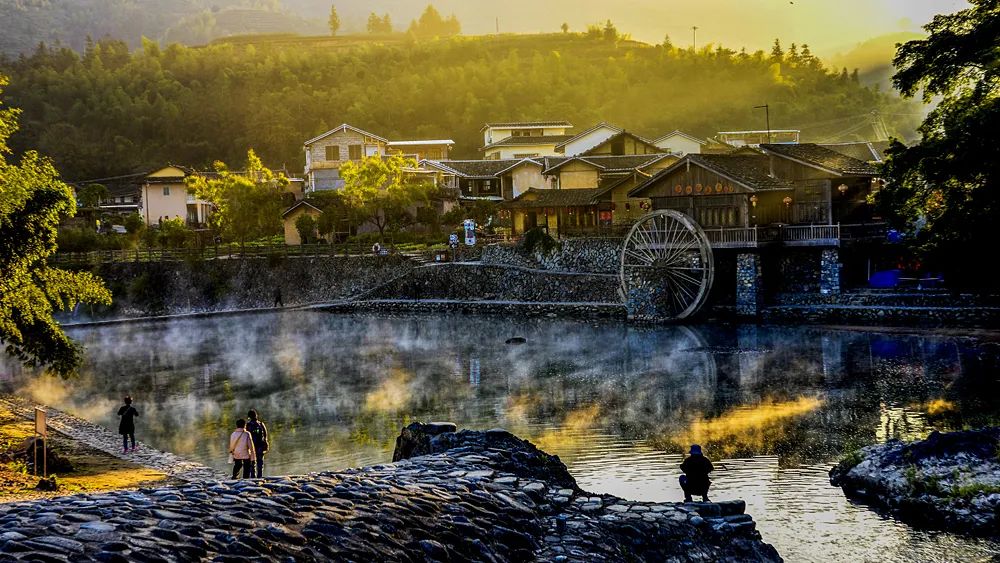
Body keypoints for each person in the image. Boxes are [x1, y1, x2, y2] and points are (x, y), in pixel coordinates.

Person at [245, 409, 269, 478]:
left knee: (252, 463)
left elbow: (246, 436)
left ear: (249, 417)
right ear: (256, 415)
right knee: (260, 463)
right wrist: (266, 443)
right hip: (260, 447)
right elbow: (265, 435)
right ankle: (260, 477)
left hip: (252, 447)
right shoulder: (261, 424)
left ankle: (253, 477)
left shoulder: (248, 425)